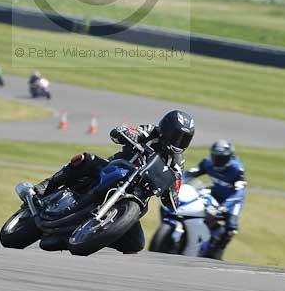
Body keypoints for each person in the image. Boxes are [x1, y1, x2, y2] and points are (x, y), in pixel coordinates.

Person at [35, 109, 196, 253]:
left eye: (184, 139)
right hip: (116, 169)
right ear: (165, 129)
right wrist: (128, 135)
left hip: (138, 196)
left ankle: (87, 236)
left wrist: (172, 195)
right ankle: (47, 185)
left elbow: (176, 186)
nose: (179, 142)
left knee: (136, 244)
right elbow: (123, 131)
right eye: (176, 136)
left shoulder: (177, 162)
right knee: (86, 160)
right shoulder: (151, 131)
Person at [184, 140, 246, 259]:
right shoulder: (208, 162)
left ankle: (217, 251)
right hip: (215, 192)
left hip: (232, 199)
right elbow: (192, 172)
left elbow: (239, 191)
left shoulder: (236, 169)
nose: (217, 160)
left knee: (231, 229)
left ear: (229, 157)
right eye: (215, 156)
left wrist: (225, 207)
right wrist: (179, 179)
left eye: (221, 158)